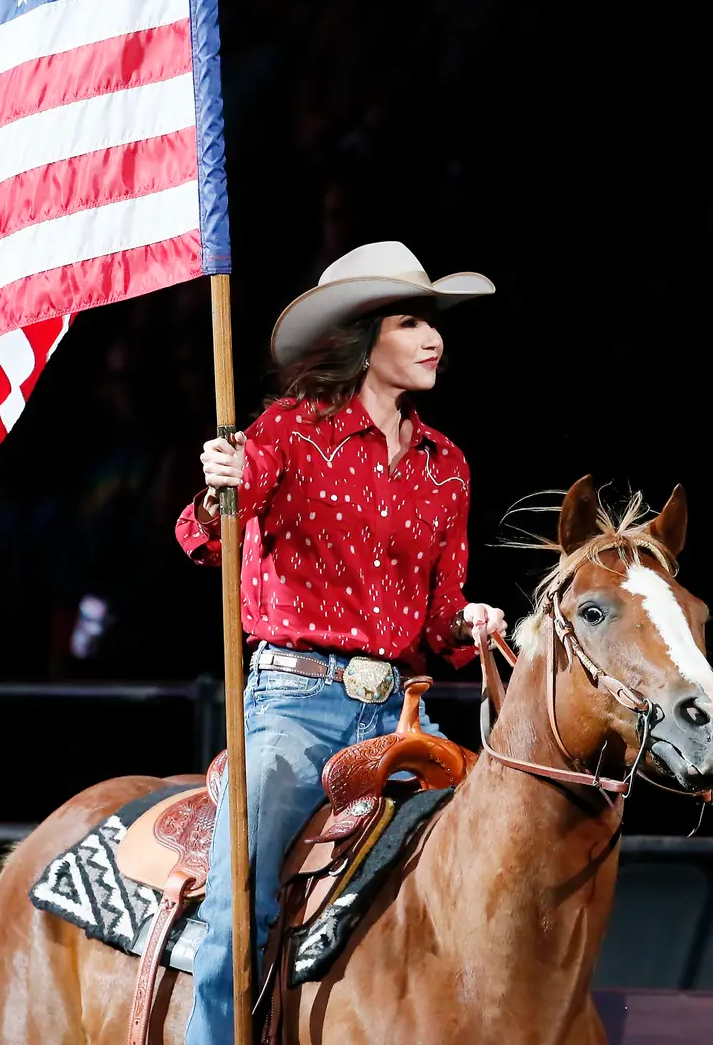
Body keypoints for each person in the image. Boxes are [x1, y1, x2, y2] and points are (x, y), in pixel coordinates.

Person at [176, 240, 506, 1043]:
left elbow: (437, 620)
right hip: (294, 703)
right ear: (365, 336)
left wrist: (471, 623)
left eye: (432, 324)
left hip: (398, 712)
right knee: (237, 903)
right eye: (409, 321)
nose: (432, 338)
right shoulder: (287, 431)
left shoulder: (446, 467)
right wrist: (224, 481)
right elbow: (208, 537)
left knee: (493, 847)